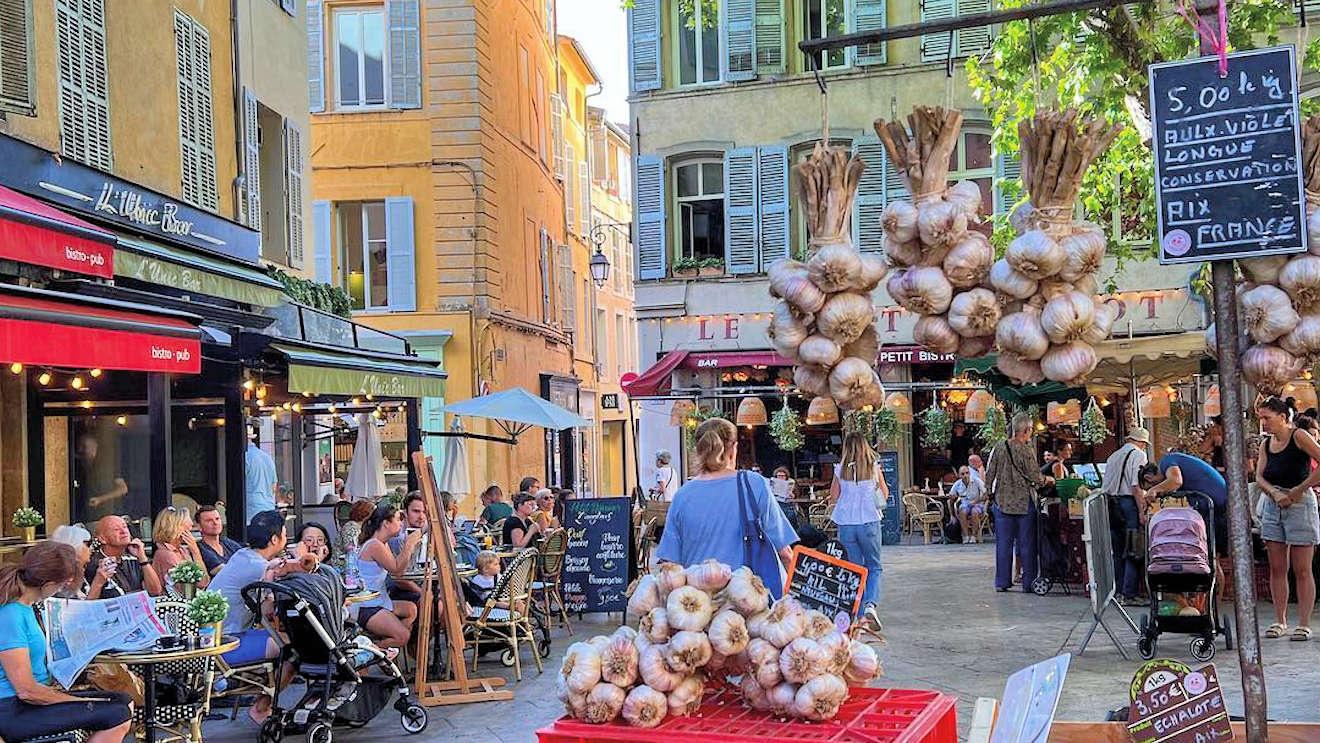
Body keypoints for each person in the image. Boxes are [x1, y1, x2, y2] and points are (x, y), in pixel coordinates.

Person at [0, 542, 134, 743]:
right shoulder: (11, 615)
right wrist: (77, 700)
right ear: (48, 583)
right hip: (13, 708)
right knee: (117, 715)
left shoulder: (27, 608)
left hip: (32, 699)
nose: (63, 587)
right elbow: (26, 691)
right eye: (63, 583)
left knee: (124, 701)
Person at [655, 418, 798, 594]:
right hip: (748, 605)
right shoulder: (754, 484)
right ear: (733, 448)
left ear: (699, 450)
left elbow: (670, 564)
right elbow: (785, 553)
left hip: (697, 609)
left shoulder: (682, 496)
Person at [210, 510, 309, 723]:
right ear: (275, 539)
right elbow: (268, 608)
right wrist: (300, 557)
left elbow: (264, 607)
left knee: (286, 641)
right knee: (296, 651)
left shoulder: (242, 555)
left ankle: (263, 696)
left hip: (220, 637)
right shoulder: (258, 567)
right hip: (225, 644)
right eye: (284, 533)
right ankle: (262, 706)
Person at [1254, 396, 1320, 641]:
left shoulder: (1299, 436)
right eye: (1261, 418)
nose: (1263, 423)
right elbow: (1259, 475)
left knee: (1302, 568)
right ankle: (1279, 619)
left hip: (1300, 503)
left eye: (1267, 418)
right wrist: (1273, 492)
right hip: (1274, 503)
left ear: (1282, 417)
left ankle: (1303, 622)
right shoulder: (1266, 444)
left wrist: (1299, 490)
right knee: (1277, 566)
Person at [987, 414, 1051, 593]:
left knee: (1003, 544)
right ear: (1026, 430)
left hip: (1003, 502)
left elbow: (990, 473)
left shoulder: (999, 447)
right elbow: (1035, 477)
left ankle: (1002, 582)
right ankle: (1028, 582)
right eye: (1030, 429)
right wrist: (1048, 479)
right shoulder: (1026, 450)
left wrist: (991, 495)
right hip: (1024, 504)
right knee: (1026, 544)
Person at [829, 432, 888, 612]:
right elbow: (884, 494)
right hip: (869, 520)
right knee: (874, 566)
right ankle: (870, 605)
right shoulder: (873, 467)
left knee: (854, 568)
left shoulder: (840, 469)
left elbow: (834, 496)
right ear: (865, 446)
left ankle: (858, 612)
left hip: (846, 523)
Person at [356, 505, 423, 650]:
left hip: (380, 600)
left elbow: (398, 570)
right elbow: (397, 570)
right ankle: (373, 650)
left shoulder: (382, 544)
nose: (401, 524)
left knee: (411, 609)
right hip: (368, 605)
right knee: (403, 636)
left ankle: (391, 646)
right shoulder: (374, 545)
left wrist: (410, 548)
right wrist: (409, 545)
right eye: (398, 520)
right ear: (386, 523)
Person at [1100, 427, 1151, 604]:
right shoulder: (1138, 455)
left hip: (1111, 505)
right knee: (1133, 549)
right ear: (1142, 443)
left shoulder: (1113, 456)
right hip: (1128, 504)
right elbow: (1136, 486)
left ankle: (1118, 591)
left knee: (1118, 550)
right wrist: (1141, 511)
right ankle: (1130, 594)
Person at [86, 515, 164, 599]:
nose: (123, 531)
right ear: (102, 539)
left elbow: (155, 591)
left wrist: (143, 558)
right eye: (116, 529)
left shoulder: (133, 559)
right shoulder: (94, 565)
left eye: (125, 526)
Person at [75, 432, 128, 521]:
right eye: (80, 447)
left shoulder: (108, 466)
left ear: (94, 446)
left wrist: (100, 499)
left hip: (108, 516)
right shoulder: (81, 467)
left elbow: (123, 489)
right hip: (87, 516)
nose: (81, 450)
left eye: (84, 446)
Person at [49, 525, 98, 599]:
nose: (91, 549)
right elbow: (79, 608)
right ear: (75, 546)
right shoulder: (63, 577)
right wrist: (98, 583)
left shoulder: (78, 570)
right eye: (87, 545)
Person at [244, 425, 279, 525]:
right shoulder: (267, 457)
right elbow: (273, 487)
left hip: (250, 513)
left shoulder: (244, 457)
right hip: (269, 508)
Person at [196, 505, 244, 576]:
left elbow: (247, 557)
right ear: (199, 526)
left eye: (217, 519)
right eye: (209, 521)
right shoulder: (200, 547)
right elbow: (218, 570)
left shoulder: (227, 542)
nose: (215, 523)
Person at [952, 465, 989, 544]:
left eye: (967, 473)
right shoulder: (957, 484)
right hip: (965, 504)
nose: (965, 475)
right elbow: (951, 496)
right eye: (963, 474)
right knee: (962, 512)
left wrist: (976, 500)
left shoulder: (976, 481)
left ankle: (974, 536)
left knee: (974, 512)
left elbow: (986, 494)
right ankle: (966, 535)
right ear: (959, 475)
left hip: (977, 503)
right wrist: (954, 497)